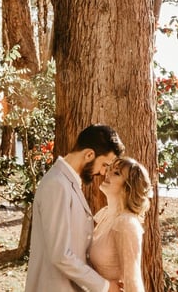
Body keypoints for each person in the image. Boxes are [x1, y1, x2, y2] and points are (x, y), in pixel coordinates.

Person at [25, 124, 126, 292]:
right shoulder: (57, 184)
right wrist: (105, 286)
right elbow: (61, 255)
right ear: (89, 154)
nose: (103, 173)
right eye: (104, 165)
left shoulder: (67, 182)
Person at [89, 157, 152, 292]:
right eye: (110, 170)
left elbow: (132, 280)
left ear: (128, 188)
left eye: (116, 173)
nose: (107, 173)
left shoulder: (126, 224)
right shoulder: (106, 215)